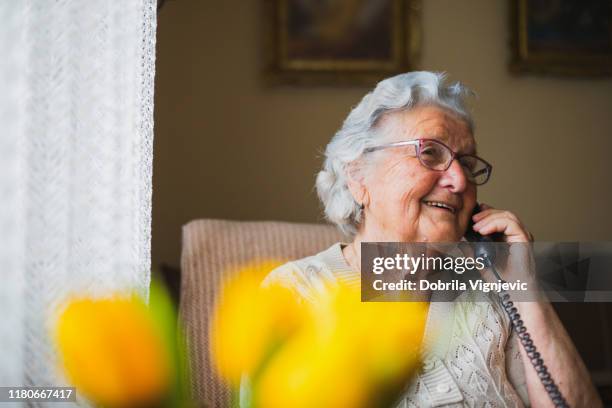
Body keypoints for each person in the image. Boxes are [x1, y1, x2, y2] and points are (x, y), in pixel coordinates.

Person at [261, 71, 601, 407]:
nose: (458, 180)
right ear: (358, 176)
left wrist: (523, 286)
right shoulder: (295, 295)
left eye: (467, 164)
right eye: (430, 153)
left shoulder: (495, 294)